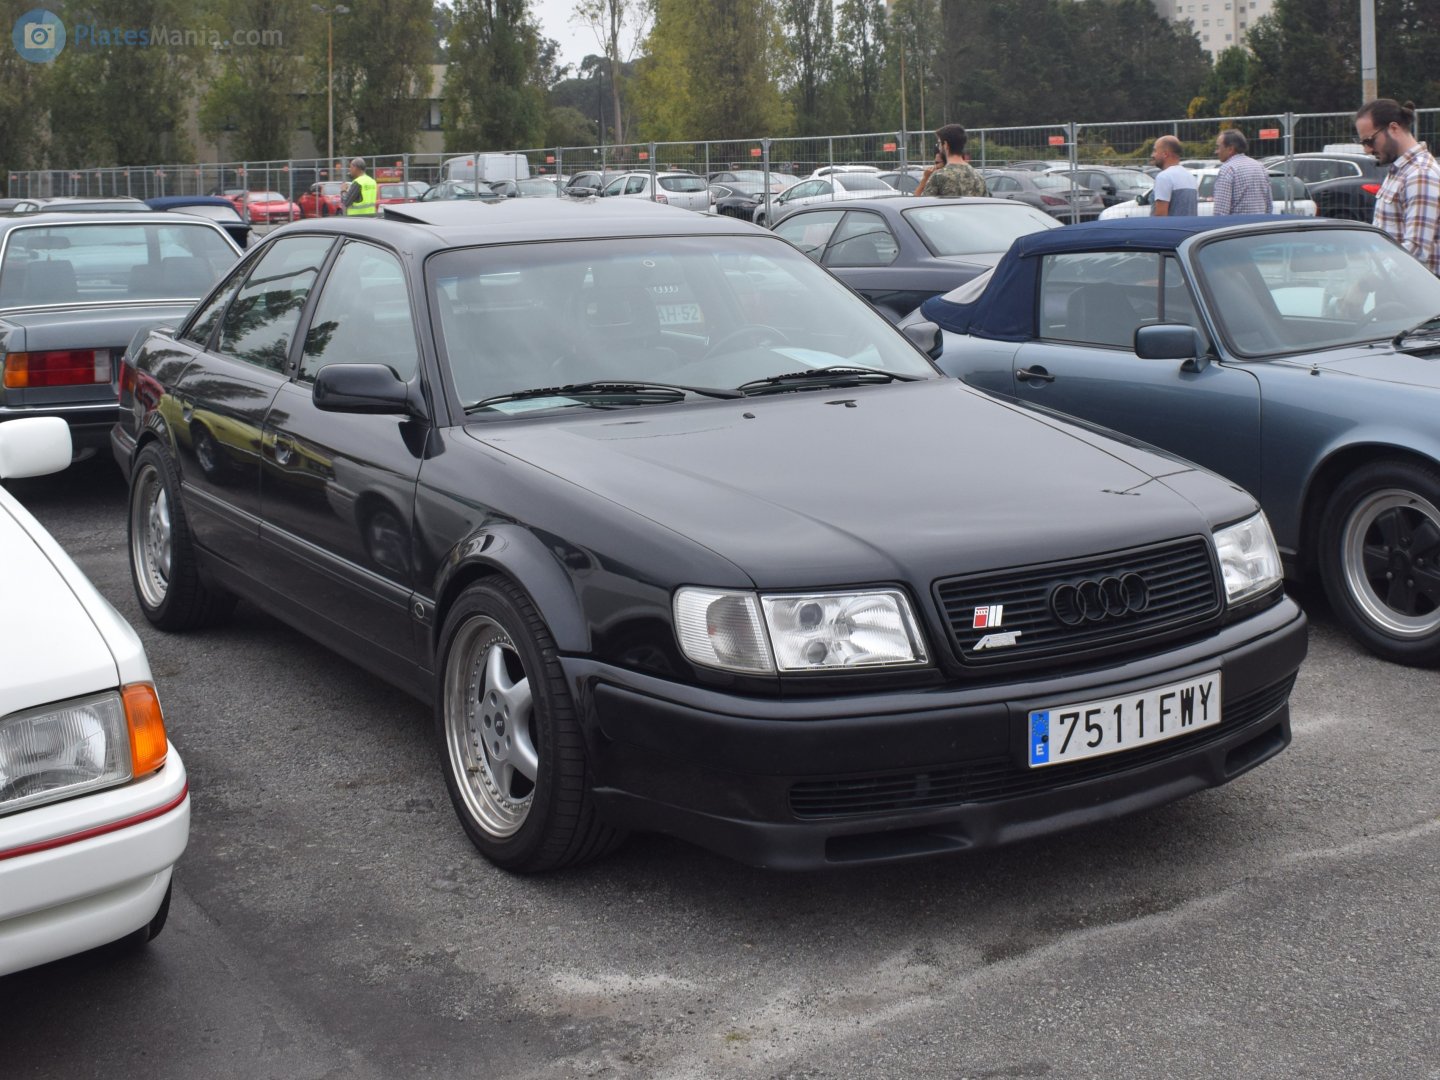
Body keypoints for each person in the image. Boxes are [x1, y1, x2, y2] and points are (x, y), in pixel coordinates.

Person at [1355, 98, 1440, 275]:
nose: (1367, 150)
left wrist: (1367, 283)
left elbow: (1415, 251)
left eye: (1369, 141)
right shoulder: (1400, 170)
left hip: (1415, 292)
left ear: (1393, 128)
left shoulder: (1420, 174)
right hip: (1401, 288)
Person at [1212, 129, 1273, 215]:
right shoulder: (1260, 167)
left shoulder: (1228, 169)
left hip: (1237, 226)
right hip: (1259, 226)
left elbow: (1220, 212)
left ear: (1230, 149)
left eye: (1218, 147)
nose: (1216, 151)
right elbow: (1269, 205)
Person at [916, 124, 988, 198]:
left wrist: (924, 180)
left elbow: (924, 204)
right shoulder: (979, 177)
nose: (939, 147)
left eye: (939, 143)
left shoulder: (939, 176)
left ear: (946, 145)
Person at [1149, 135, 1197, 217]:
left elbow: (1160, 217)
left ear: (1165, 154)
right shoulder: (1190, 177)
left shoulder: (1164, 177)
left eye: (1155, 151)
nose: (1152, 155)